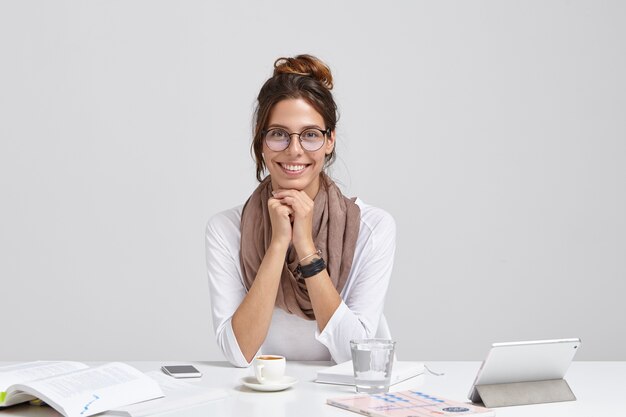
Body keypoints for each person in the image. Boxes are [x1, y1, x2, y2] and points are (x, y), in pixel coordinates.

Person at [205, 54, 396, 367]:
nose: (294, 150)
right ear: (262, 140)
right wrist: (278, 243)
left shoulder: (372, 227)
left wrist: (306, 248)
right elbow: (240, 354)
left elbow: (356, 359)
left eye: (310, 135)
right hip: (262, 395)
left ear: (330, 140)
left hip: (343, 396)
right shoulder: (226, 229)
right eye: (279, 133)